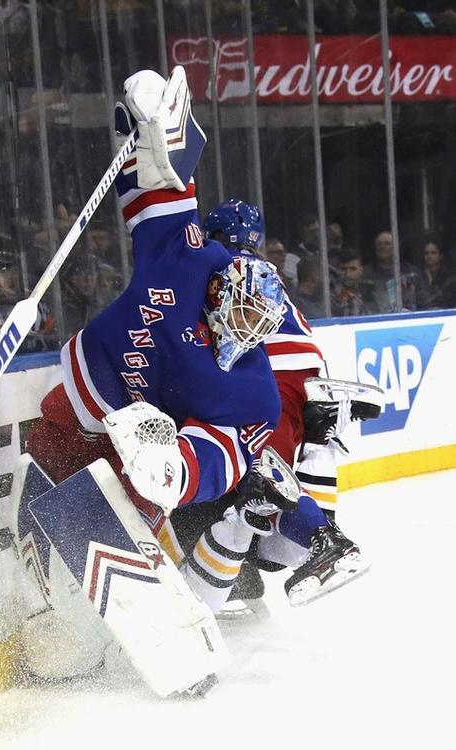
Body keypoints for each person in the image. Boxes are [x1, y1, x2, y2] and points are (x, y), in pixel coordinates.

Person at [26, 69, 368, 617]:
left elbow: (224, 455)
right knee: (56, 443)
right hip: (86, 388)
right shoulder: (189, 261)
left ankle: (110, 594)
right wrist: (156, 127)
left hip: (137, 426)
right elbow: (161, 189)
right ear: (222, 287)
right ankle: (44, 576)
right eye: (243, 313)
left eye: (260, 325)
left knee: (142, 483)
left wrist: (177, 469)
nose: (247, 331)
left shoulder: (252, 391)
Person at [196, 196, 381, 608]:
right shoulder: (266, 273)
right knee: (255, 477)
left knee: (261, 479)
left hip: (269, 376)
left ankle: (330, 547)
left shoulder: (218, 263)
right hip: (305, 378)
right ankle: (255, 571)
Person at [332, 247, 378, 317]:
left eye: (353, 269)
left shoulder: (370, 290)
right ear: (337, 270)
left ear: (361, 270)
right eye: (343, 269)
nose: (348, 274)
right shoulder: (330, 291)